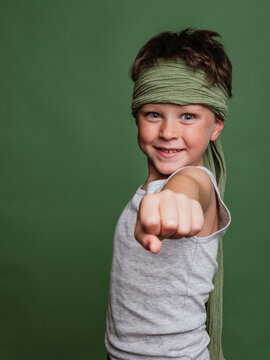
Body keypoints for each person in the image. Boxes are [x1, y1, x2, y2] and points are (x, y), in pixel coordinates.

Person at [105, 27, 232, 360]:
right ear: (137, 117)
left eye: (188, 116)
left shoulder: (196, 180)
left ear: (216, 126)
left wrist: (177, 198)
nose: (168, 132)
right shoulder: (147, 190)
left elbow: (190, 188)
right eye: (154, 114)